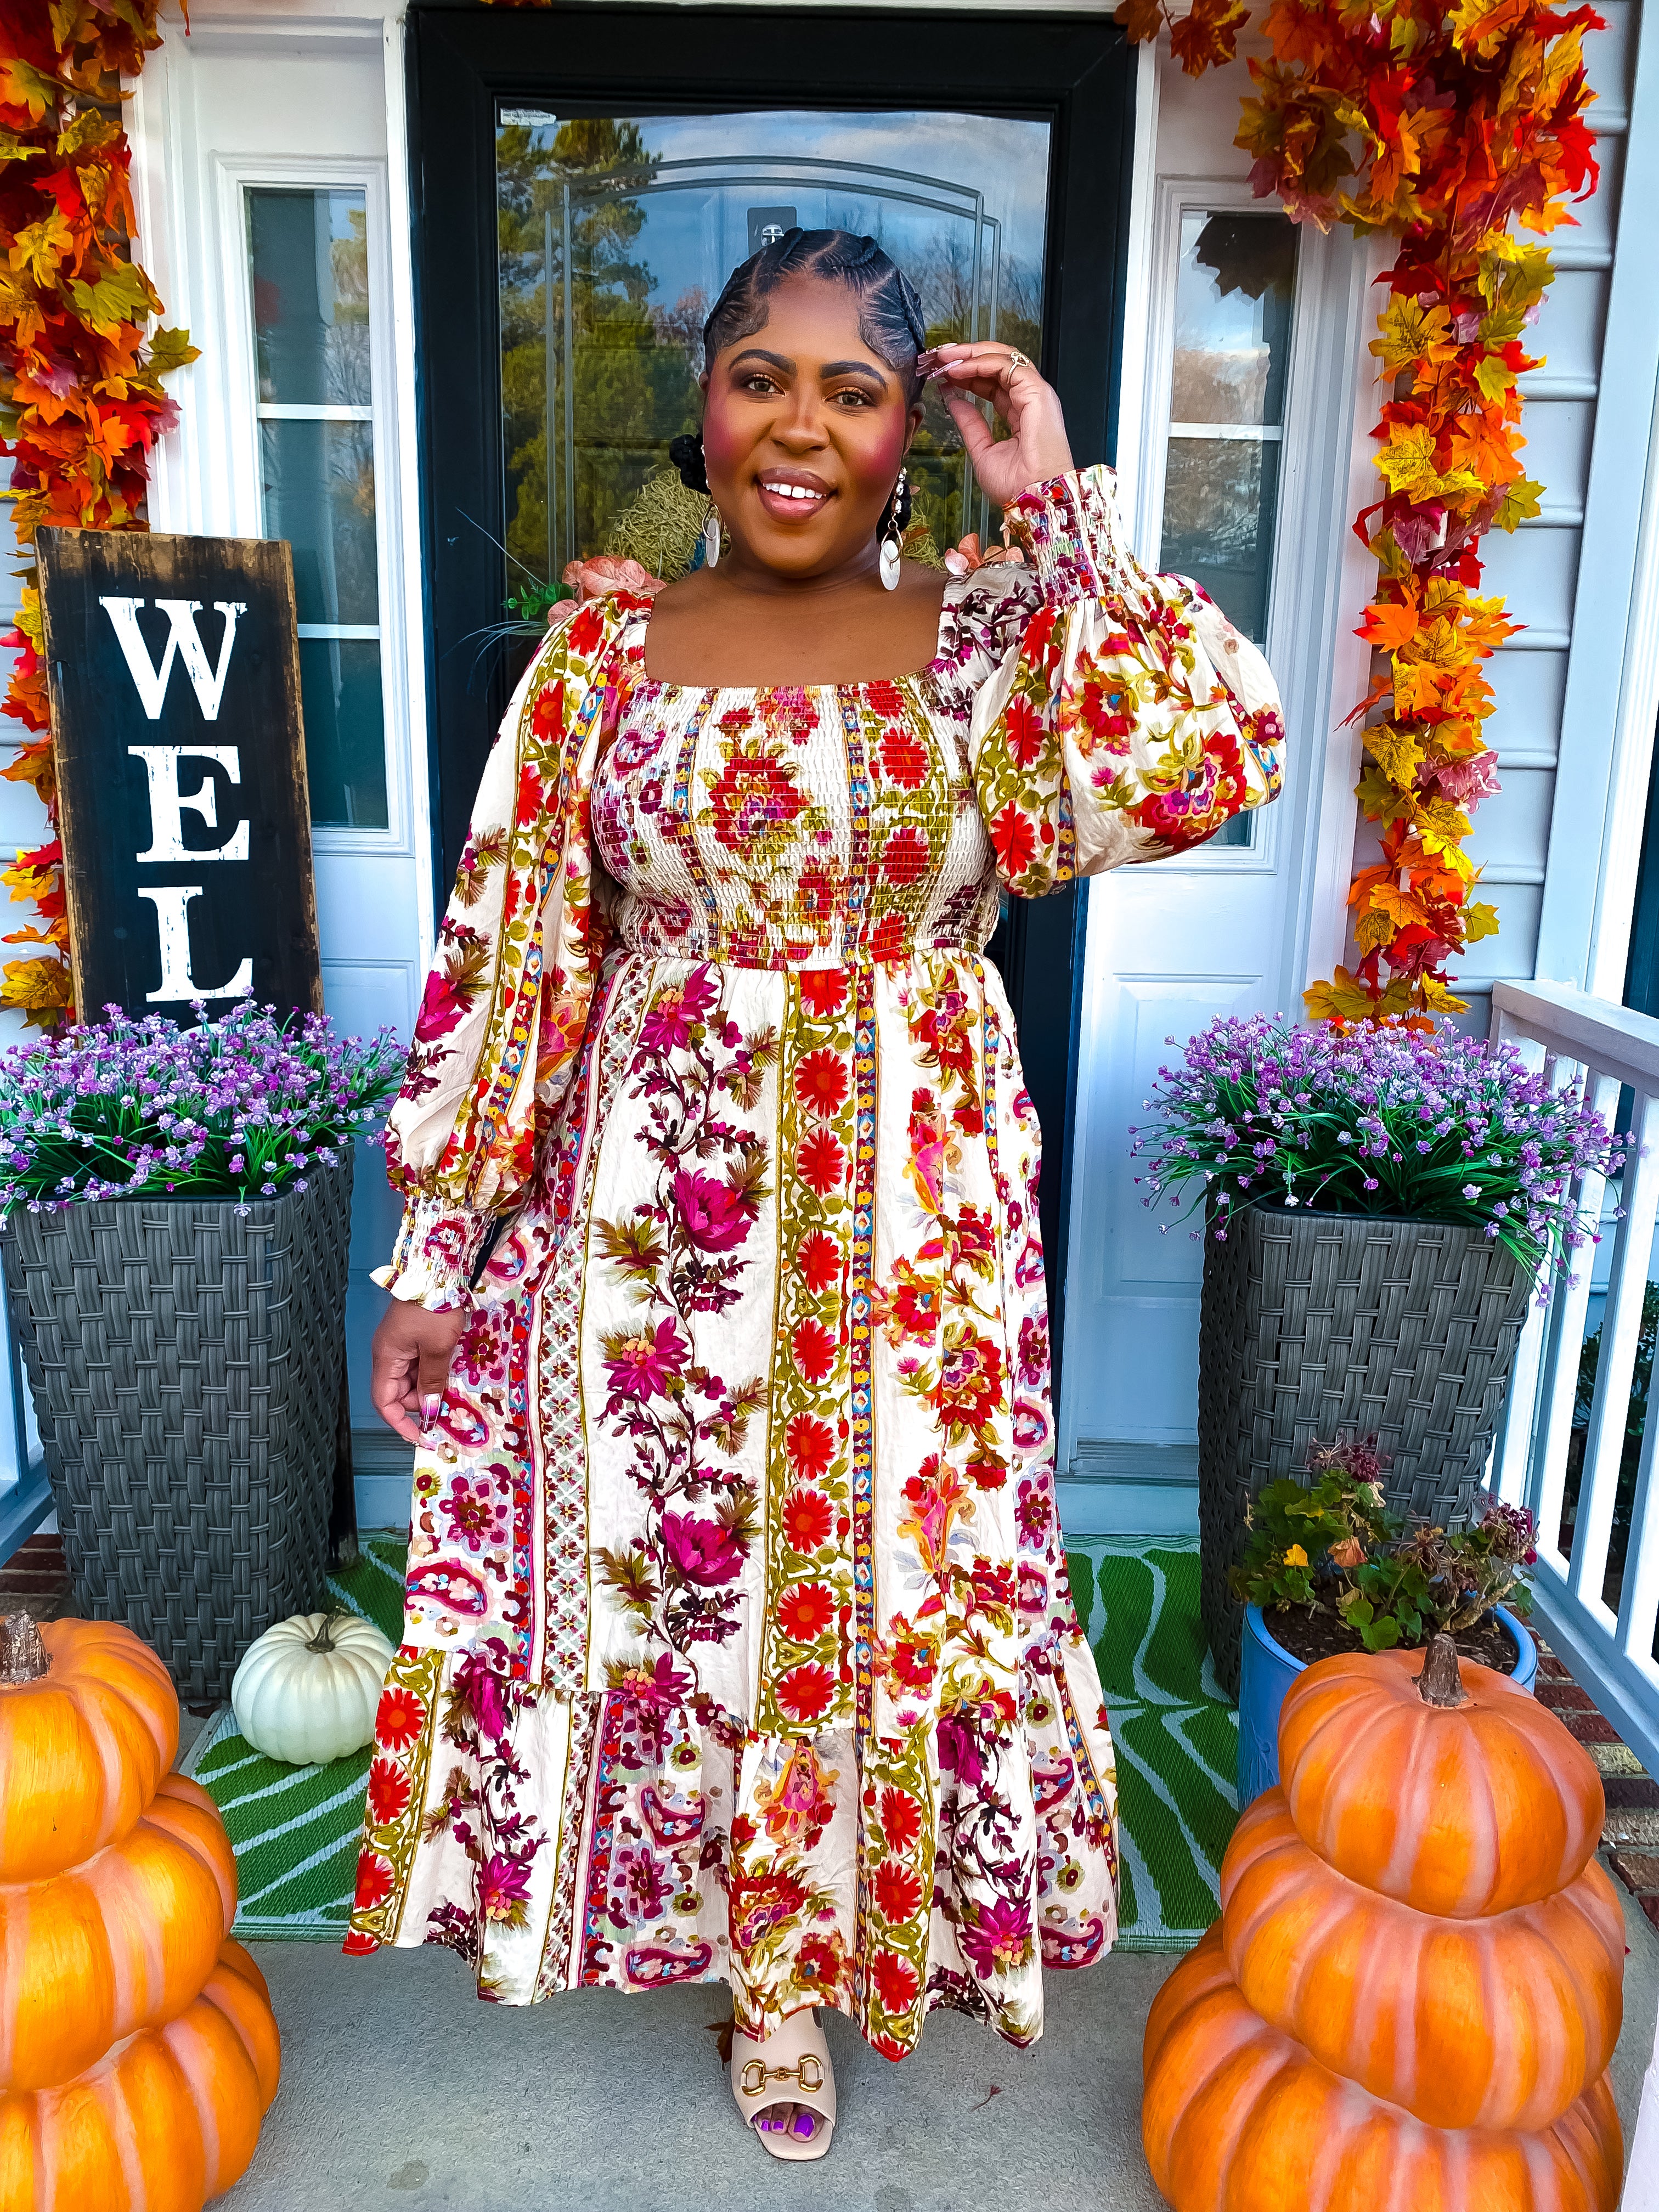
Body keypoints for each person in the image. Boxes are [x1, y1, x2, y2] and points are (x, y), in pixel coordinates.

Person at [351, 227, 1283, 2162]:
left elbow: (1202, 763)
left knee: (891, 1591)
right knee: (691, 1602)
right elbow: (513, 960)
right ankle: (748, 1976)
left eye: (853, 391)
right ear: (701, 410)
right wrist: (439, 1251)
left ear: (906, 438)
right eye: (759, 378)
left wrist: (1061, 517)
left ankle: (845, 1957)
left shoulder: (990, 639)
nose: (800, 427)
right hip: (650, 1240)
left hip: (920, 1234)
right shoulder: (601, 658)